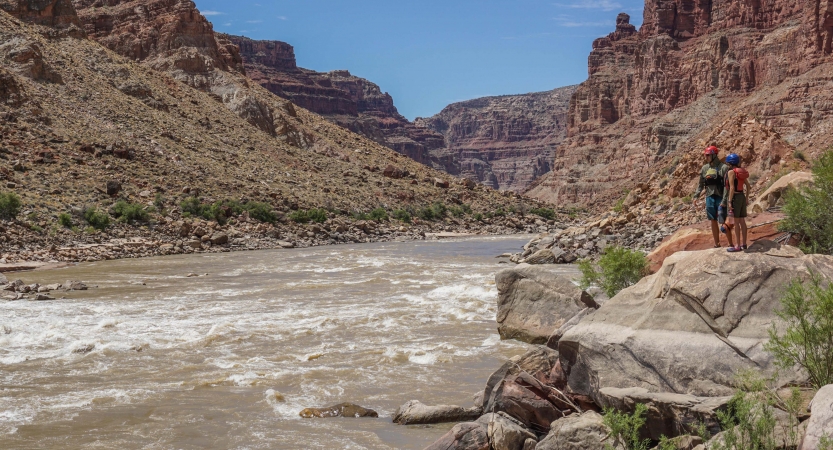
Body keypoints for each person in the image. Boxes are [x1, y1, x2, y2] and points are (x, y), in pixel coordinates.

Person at [693, 146, 731, 248]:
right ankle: (716, 243)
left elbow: (727, 186)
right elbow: (701, 184)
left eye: (708, 155)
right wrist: (696, 196)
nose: (706, 157)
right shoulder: (705, 168)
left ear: (714, 155)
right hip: (709, 196)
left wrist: (725, 199)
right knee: (712, 220)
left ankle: (730, 243)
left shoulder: (724, 168)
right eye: (706, 155)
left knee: (723, 219)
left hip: (720, 196)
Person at [723, 153, 751, 252]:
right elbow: (748, 186)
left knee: (736, 222)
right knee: (742, 221)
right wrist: (746, 198)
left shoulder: (731, 172)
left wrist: (730, 201)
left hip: (735, 197)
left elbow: (732, 188)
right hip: (742, 196)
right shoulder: (741, 171)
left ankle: (737, 246)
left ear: (730, 163)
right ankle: (744, 244)